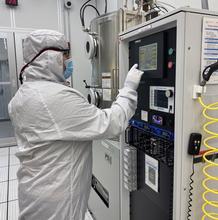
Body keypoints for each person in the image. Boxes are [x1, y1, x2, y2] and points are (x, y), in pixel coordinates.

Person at [8, 29, 143, 220]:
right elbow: (111, 123)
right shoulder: (54, 97)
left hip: (34, 187)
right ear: (50, 57)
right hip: (57, 198)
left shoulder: (22, 95)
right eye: (65, 55)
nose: (68, 61)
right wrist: (129, 89)